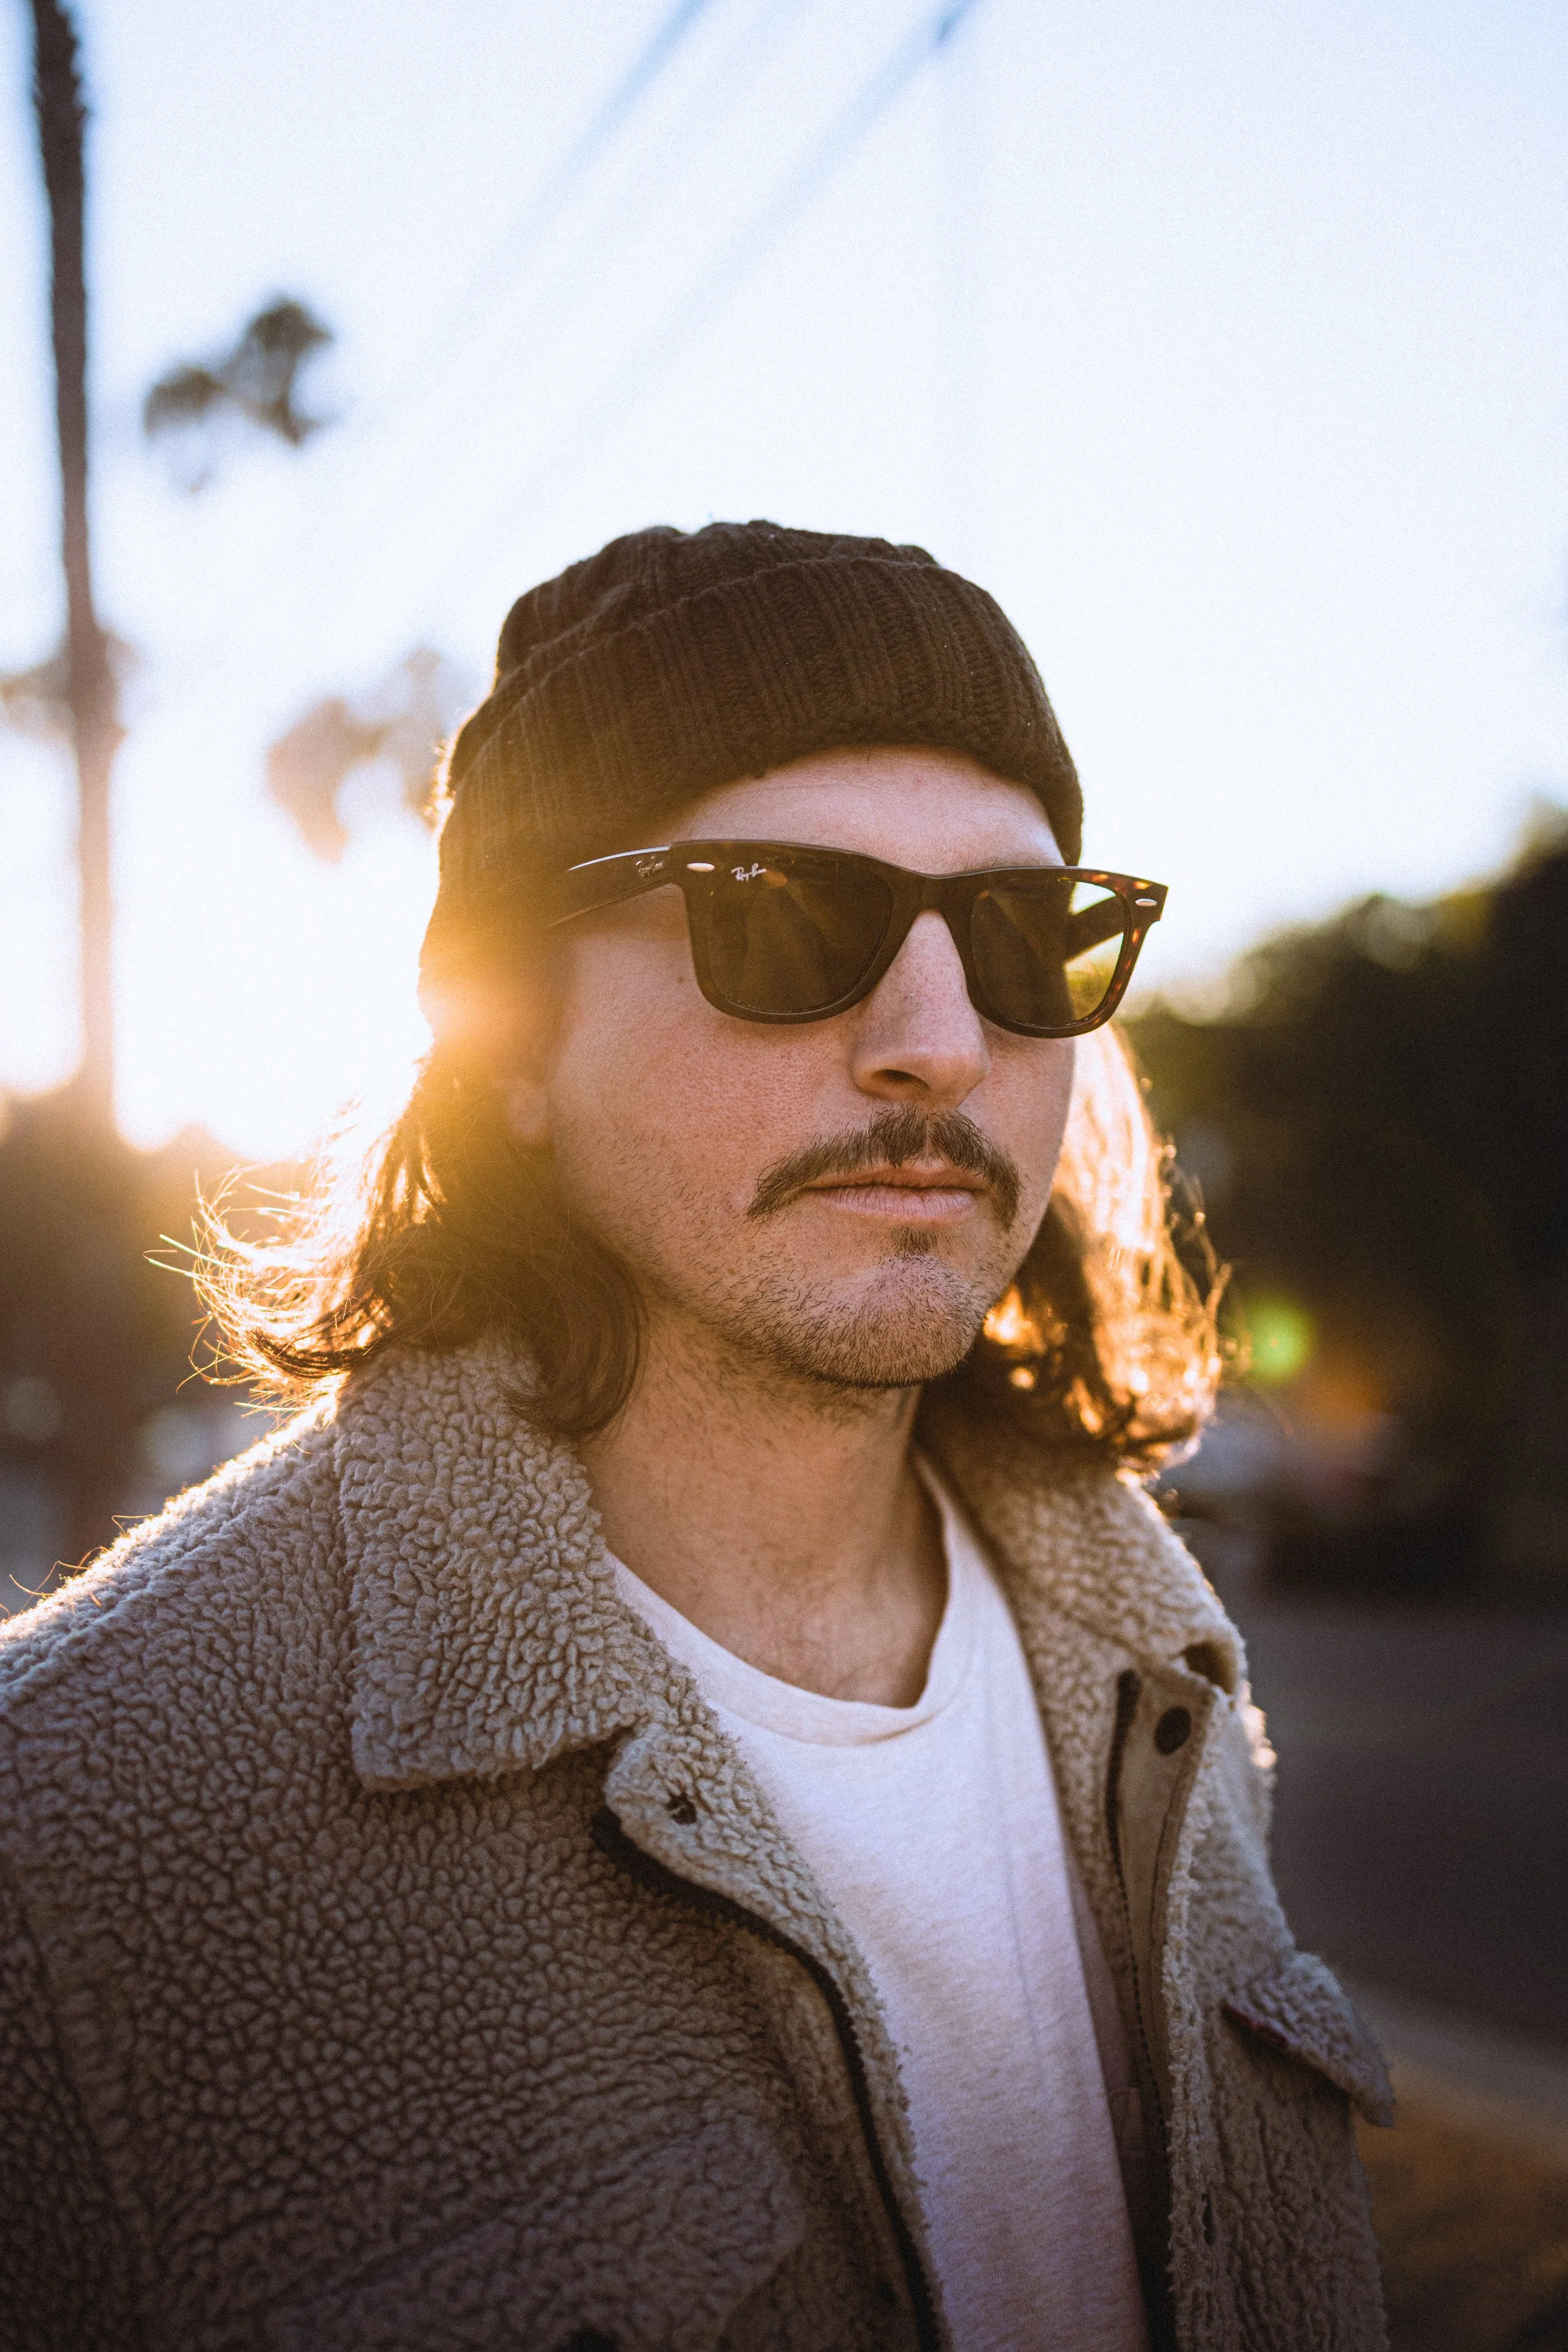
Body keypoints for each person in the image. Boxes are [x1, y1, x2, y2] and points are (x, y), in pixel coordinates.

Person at [0, 523, 1391, 2352]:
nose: (936, 1043)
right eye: (782, 915)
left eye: (1021, 935)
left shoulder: (1158, 1674)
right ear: (507, 1036)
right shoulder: (69, 1844)